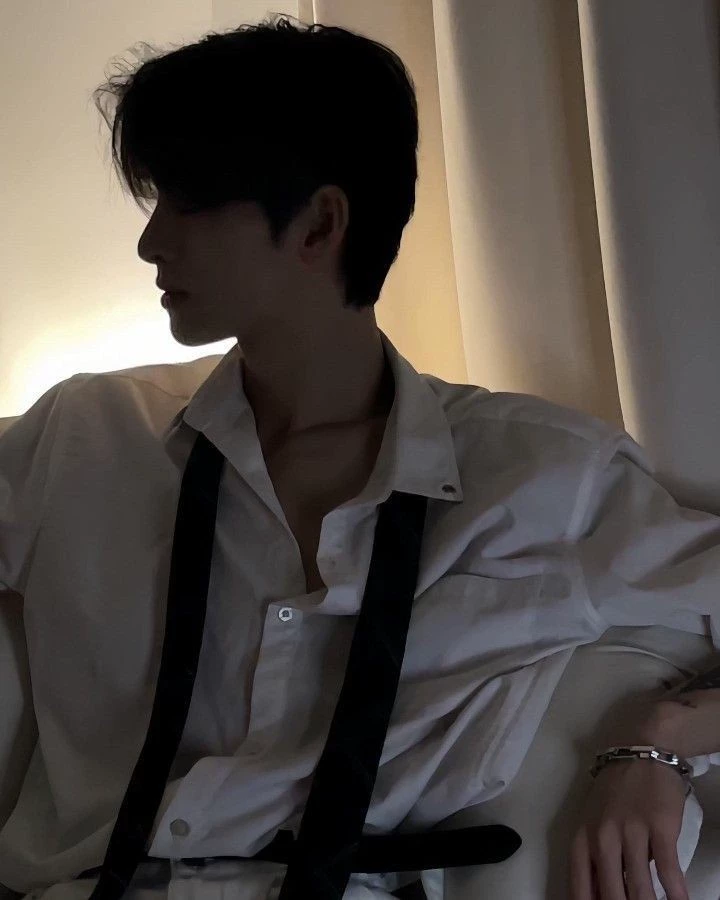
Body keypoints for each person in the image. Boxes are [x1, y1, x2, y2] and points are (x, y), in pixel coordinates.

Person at [2, 14, 720, 900]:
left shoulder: (543, 476)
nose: (151, 243)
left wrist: (660, 743)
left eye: (186, 203)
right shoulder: (85, 436)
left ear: (319, 226)